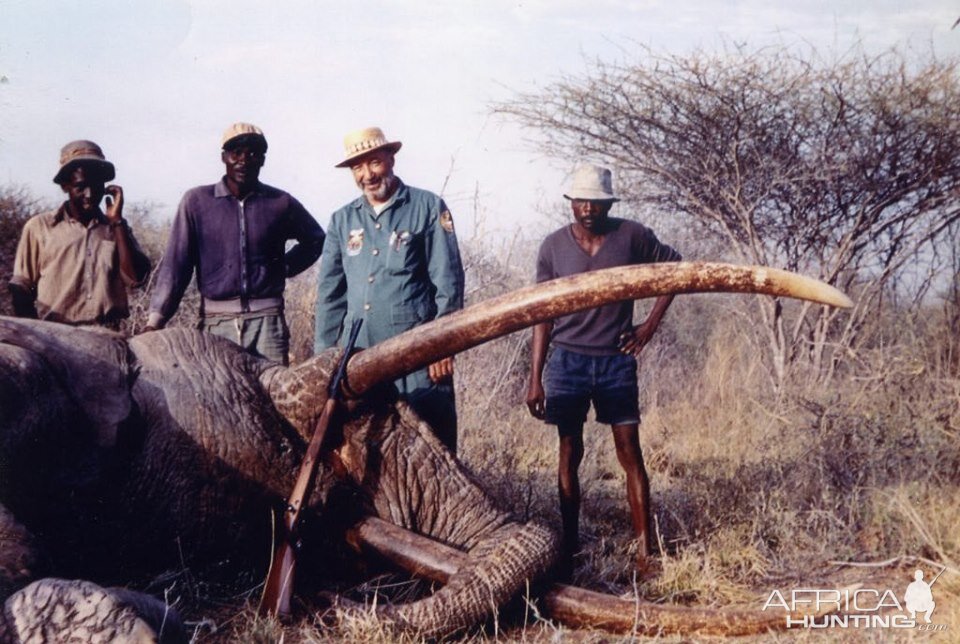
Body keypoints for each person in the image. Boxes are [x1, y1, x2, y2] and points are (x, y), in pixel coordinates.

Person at [525, 163, 681, 577]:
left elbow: (676, 270)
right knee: (569, 449)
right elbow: (542, 315)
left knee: (630, 451)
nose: (588, 208)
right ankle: (571, 549)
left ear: (609, 203)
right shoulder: (553, 247)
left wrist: (647, 327)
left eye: (596, 201)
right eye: (580, 201)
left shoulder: (632, 235)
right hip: (567, 361)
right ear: (571, 204)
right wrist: (535, 377)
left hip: (615, 361)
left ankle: (647, 553)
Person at [315, 126, 464, 452]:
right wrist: (324, 361)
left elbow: (448, 283)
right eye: (357, 167)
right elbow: (330, 296)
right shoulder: (342, 220)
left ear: (391, 159)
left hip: (417, 354)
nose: (367, 175)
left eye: (374, 163)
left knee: (431, 446)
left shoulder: (427, 207)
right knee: (365, 451)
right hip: (359, 358)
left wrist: (442, 344)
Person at [147, 123, 325, 364]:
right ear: (224, 157)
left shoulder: (279, 202)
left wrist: (283, 267)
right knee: (219, 395)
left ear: (262, 160)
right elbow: (176, 265)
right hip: (216, 323)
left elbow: (315, 239)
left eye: (253, 153)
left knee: (271, 396)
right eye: (236, 152)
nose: (244, 160)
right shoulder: (197, 202)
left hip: (267, 323)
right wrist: (156, 319)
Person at [9, 140, 151, 328]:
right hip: (58, 334)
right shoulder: (39, 227)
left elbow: (135, 279)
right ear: (65, 186)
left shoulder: (116, 228)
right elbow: (21, 288)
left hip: (109, 337)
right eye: (81, 186)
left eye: (97, 186)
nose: (90, 194)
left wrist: (117, 222)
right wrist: (37, 333)